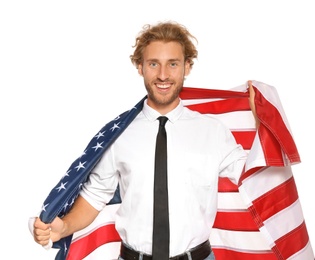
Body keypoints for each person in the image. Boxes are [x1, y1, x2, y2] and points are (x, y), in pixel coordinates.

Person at [33, 21, 258, 260]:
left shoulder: (213, 132)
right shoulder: (119, 133)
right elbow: (95, 195)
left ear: (187, 67)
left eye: (173, 64)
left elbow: (254, 176)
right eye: (153, 64)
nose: (163, 75)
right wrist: (65, 227)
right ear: (140, 67)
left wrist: (262, 117)